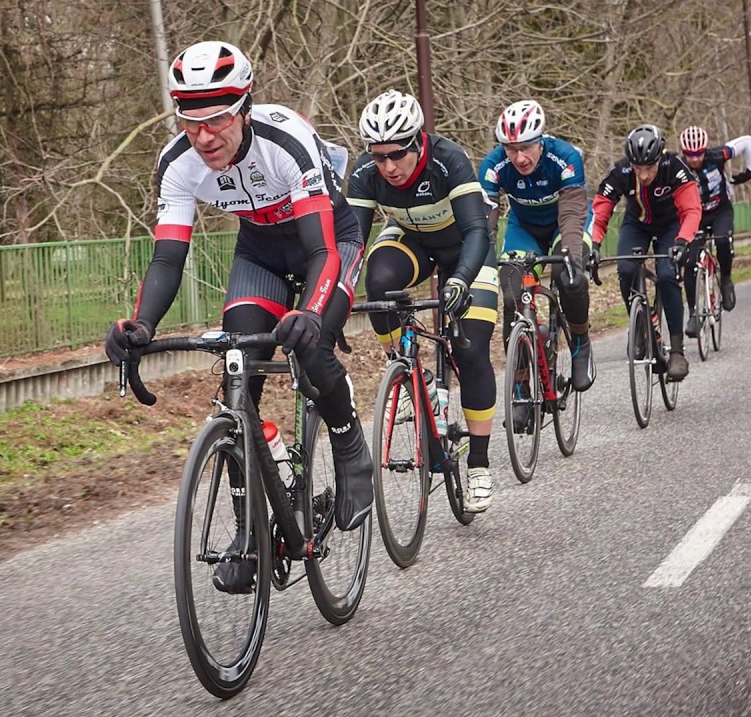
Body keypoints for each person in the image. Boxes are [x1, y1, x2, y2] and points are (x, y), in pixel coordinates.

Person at [103, 41, 372, 593]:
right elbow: (167, 257)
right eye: (191, 120)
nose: (204, 136)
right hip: (260, 255)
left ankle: (350, 447)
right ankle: (250, 528)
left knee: (311, 343)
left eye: (218, 119)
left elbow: (321, 251)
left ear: (245, 108)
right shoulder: (176, 163)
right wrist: (143, 326)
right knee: (238, 376)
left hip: (329, 243)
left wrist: (312, 312)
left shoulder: (285, 141)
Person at [347, 89, 499, 513]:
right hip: (412, 240)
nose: (389, 167)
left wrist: (461, 281)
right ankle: (410, 373)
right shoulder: (365, 172)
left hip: (466, 248)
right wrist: (332, 298)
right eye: (379, 157)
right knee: (378, 283)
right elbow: (352, 243)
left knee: (471, 349)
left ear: (418, 142)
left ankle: (480, 466)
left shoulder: (447, 159)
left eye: (397, 155)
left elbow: (475, 231)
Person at [478, 100, 596, 399]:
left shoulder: (565, 157)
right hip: (524, 229)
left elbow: (571, 213)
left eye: (526, 148)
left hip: (565, 224)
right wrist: (485, 262)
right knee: (511, 293)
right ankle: (519, 385)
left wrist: (571, 255)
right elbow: (485, 223)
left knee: (568, 275)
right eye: (510, 149)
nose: (519, 157)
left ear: (541, 141)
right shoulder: (493, 166)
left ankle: (580, 342)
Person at [587, 124, 701, 380]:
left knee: (667, 276)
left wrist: (683, 241)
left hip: (670, 225)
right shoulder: (621, 171)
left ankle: (677, 351)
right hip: (636, 223)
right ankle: (642, 325)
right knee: (626, 269)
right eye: (638, 169)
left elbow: (692, 209)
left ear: (659, 157)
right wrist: (593, 245)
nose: (644, 175)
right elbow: (601, 208)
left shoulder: (675, 168)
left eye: (650, 167)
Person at [677, 125, 751, 336]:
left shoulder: (718, 155)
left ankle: (727, 279)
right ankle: (694, 313)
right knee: (690, 260)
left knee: (722, 240)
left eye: (698, 154)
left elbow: (747, 141)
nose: (694, 159)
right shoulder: (677, 165)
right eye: (689, 155)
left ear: (705, 150)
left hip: (720, 209)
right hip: (695, 214)